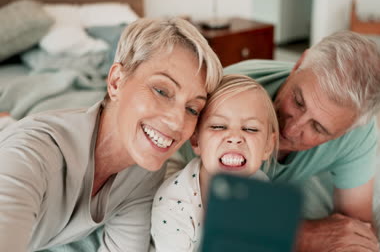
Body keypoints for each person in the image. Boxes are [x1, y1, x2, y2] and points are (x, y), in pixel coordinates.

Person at [0, 18, 222, 251]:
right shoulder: (32, 156)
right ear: (116, 81)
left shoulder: (144, 172)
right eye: (161, 91)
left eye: (192, 109)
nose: (177, 122)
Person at [178, 30, 380, 252]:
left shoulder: (357, 132)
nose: (290, 128)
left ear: (344, 132)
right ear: (297, 66)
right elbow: (201, 215)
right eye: (298, 101)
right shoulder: (225, 99)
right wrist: (301, 234)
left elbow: (356, 231)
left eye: (318, 128)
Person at [151, 74, 279, 252]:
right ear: (196, 140)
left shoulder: (262, 187)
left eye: (250, 129)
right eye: (218, 126)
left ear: (267, 146)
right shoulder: (174, 204)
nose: (235, 138)